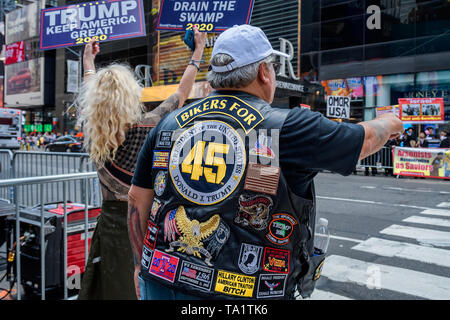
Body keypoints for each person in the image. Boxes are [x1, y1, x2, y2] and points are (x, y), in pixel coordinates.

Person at [127, 25, 403, 300]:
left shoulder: (170, 123)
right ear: (263, 72)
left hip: (162, 280)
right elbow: (365, 141)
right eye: (272, 66)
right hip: (247, 292)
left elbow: (137, 200)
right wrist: (391, 121)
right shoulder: (286, 126)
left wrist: (140, 264)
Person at [76, 27, 207, 300]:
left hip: (110, 224)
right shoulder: (146, 125)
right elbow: (181, 95)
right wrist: (197, 54)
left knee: (110, 288)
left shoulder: (94, 129)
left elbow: (90, 84)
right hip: (140, 223)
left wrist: (88, 60)